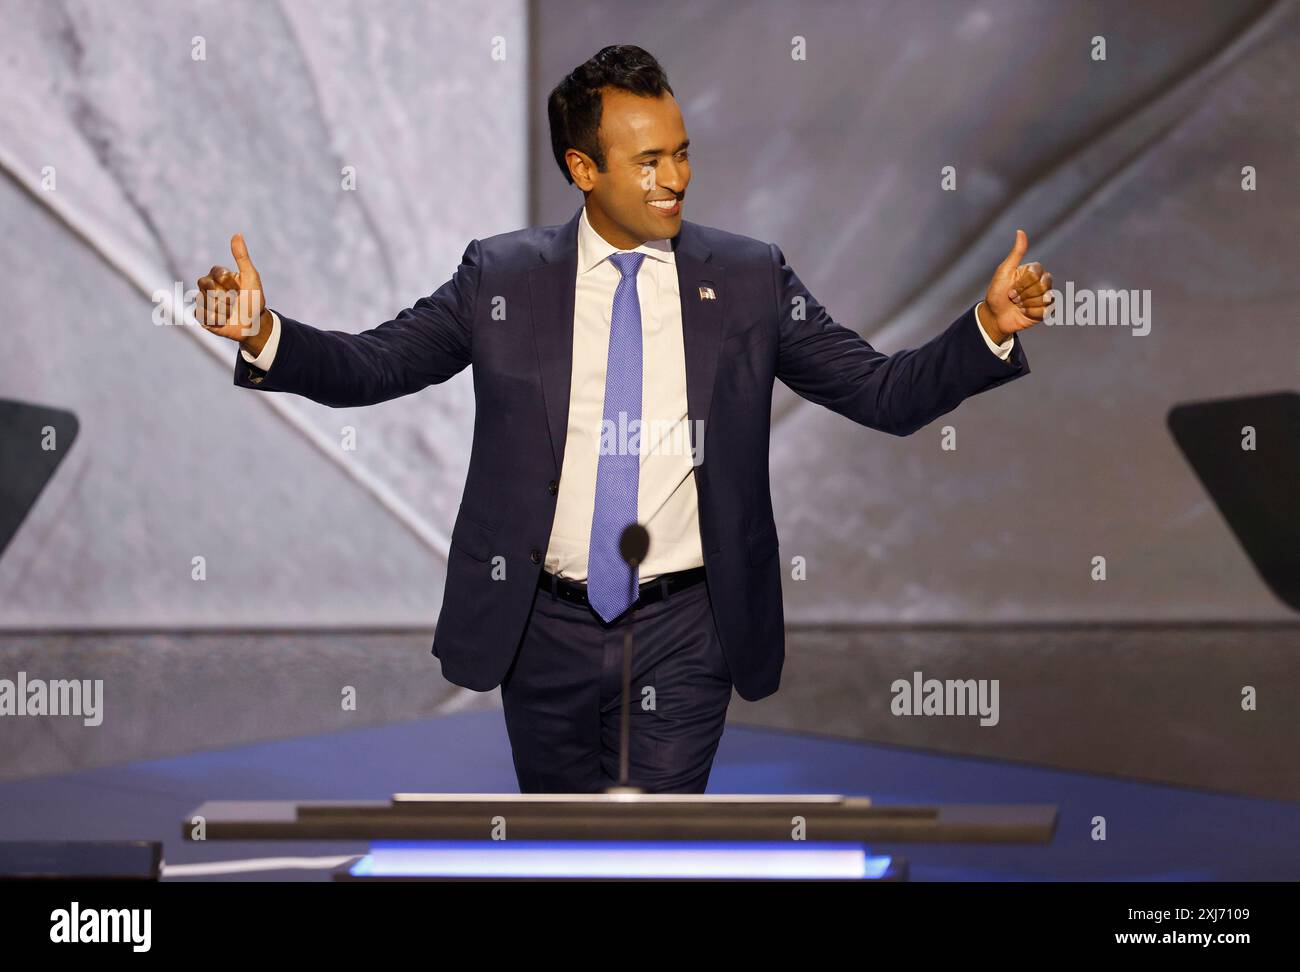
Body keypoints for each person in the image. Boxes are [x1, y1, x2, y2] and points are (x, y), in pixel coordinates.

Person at [195, 45, 1052, 793]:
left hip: (687, 627)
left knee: (654, 855)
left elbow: (882, 392)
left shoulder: (751, 278)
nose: (673, 179)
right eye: (647, 161)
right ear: (583, 168)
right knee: (565, 859)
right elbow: (375, 365)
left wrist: (984, 332)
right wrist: (267, 334)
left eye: (681, 153)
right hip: (541, 627)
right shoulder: (501, 277)